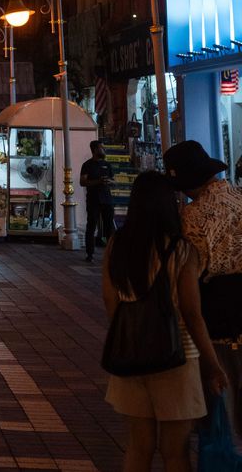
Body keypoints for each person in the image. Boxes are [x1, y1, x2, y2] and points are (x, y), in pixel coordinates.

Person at [101, 170, 226, 472]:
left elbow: (111, 304)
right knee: (175, 451)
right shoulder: (181, 251)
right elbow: (192, 315)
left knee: (138, 446)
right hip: (177, 358)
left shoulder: (116, 246)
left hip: (130, 356)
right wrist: (212, 365)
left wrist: (135, 335)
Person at [164, 139, 242, 450]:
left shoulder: (192, 218)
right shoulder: (239, 198)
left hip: (216, 322)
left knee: (218, 411)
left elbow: (187, 289)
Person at [80, 140, 116, 263]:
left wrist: (108, 181)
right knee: (91, 226)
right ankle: (90, 254)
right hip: (93, 200)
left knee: (109, 227)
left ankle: (111, 254)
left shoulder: (108, 164)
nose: (104, 150)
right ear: (95, 150)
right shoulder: (87, 165)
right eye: (101, 148)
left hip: (107, 199)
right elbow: (83, 182)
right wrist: (98, 181)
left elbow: (113, 181)